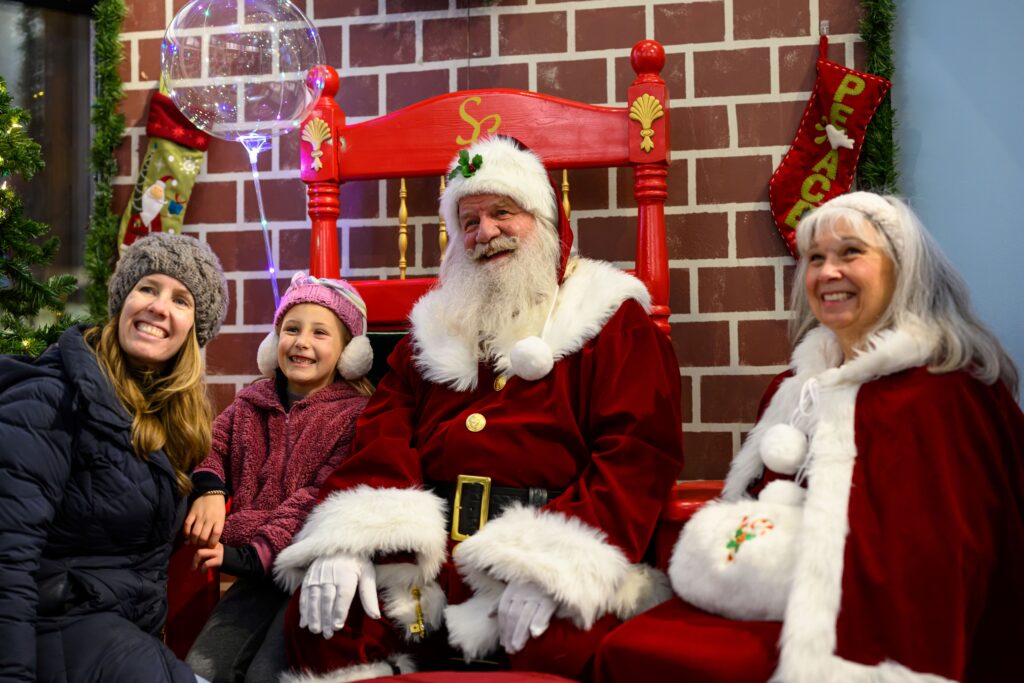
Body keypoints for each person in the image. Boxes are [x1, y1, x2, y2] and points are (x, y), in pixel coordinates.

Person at [271, 135, 686, 681]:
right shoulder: (433, 333)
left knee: (560, 644)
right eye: (468, 221)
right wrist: (352, 540)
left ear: (545, 220)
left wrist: (551, 562)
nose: (484, 233)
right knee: (327, 626)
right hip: (430, 562)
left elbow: (636, 456)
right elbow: (381, 437)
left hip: (547, 539)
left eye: (502, 213)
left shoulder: (611, 322)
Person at [595, 191, 1024, 683]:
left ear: (904, 269)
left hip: (873, 638)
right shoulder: (796, 390)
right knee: (626, 649)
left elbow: (943, 566)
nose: (827, 272)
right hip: (774, 601)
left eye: (850, 253)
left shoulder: (939, 394)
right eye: (816, 258)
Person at [0, 232, 228, 682]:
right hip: (51, 632)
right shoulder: (52, 400)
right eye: (147, 288)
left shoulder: (163, 412)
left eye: (180, 300)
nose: (159, 307)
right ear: (122, 300)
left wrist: (208, 485)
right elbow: (8, 560)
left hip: (115, 636)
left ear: (194, 330)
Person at [183, 272, 374, 683]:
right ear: (274, 342)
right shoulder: (250, 404)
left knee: (267, 673)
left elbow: (318, 496)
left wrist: (252, 555)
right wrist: (210, 489)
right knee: (201, 668)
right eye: (291, 329)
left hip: (313, 570)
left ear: (349, 354)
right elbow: (211, 446)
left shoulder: (354, 416)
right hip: (255, 574)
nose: (302, 342)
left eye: (320, 333)